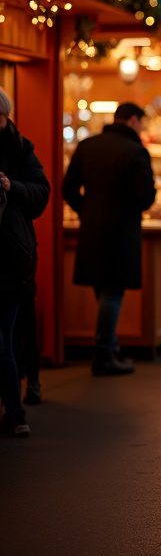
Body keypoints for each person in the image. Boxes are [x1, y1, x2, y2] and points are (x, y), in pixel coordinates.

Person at [64, 102, 155, 377]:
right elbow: (145, 197)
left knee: (102, 289)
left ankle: (109, 345)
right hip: (122, 231)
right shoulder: (136, 152)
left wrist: (86, 210)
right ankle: (104, 354)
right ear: (132, 121)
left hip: (92, 229)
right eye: (141, 122)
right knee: (113, 291)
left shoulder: (88, 145)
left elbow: (68, 188)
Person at [0, 88, 49, 437]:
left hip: (11, 260)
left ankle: (16, 412)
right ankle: (16, 412)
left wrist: (11, 185)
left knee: (5, 336)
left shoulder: (21, 148)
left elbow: (41, 193)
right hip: (14, 258)